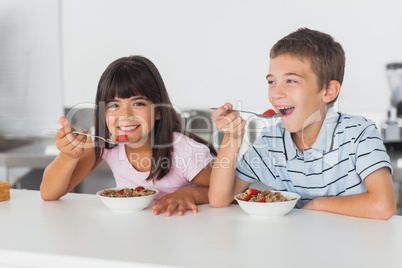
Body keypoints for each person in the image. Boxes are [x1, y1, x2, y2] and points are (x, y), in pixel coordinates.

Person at [209, 28, 396, 220]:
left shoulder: (359, 133)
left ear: (328, 91)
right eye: (271, 82)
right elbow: (219, 199)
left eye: (291, 80)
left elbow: (382, 205)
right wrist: (232, 138)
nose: (277, 93)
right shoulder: (269, 142)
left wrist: (316, 204)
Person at [41, 55, 217, 217]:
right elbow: (49, 193)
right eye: (113, 105)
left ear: (159, 111)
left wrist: (191, 193)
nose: (125, 115)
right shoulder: (105, 143)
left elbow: (231, 192)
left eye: (138, 103)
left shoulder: (183, 150)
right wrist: (68, 156)